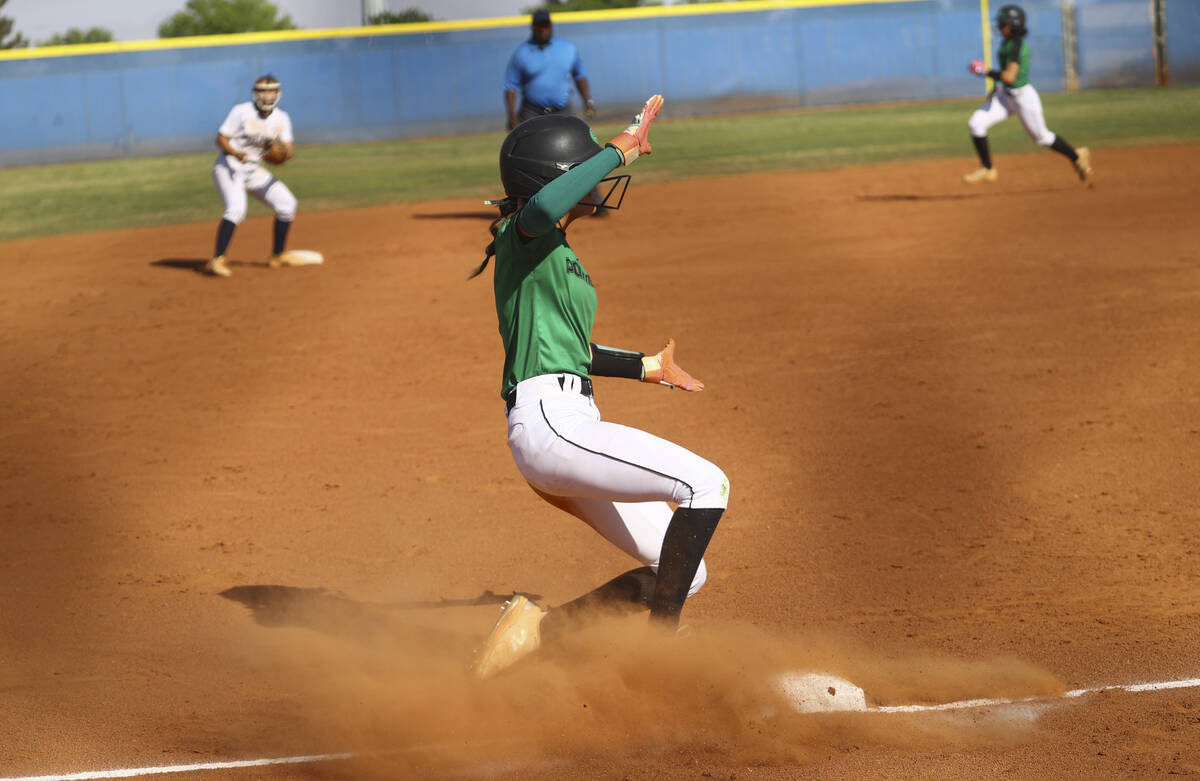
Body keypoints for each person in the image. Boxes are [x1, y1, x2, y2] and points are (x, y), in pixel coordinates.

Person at [467, 96, 730, 679]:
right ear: (559, 177)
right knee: (706, 484)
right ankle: (662, 659)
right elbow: (540, 209)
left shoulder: (556, 253)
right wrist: (620, 146)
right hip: (550, 424)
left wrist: (645, 368)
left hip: (569, 423)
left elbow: (573, 352)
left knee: (685, 569)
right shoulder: (524, 233)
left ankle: (542, 629)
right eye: (585, 166)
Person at [963, 5, 1093, 184]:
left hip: (1023, 97)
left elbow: (1009, 76)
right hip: (1005, 96)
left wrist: (984, 71)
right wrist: (996, 87)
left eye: (1003, 23)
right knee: (976, 123)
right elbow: (1005, 78)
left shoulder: (1015, 45)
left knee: (1042, 138)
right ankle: (987, 168)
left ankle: (1076, 156)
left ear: (1012, 25)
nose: (1000, 26)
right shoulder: (1007, 43)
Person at [205, 74, 306, 278]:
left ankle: (277, 256)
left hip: (253, 171)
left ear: (278, 94)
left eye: (271, 91)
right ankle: (217, 259)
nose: (267, 95)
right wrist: (236, 153)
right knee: (236, 210)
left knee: (287, 205)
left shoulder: (282, 118)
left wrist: (281, 155)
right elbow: (221, 139)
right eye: (262, 91)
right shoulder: (241, 111)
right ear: (255, 93)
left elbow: (289, 149)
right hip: (229, 167)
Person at [504, 9, 595, 132]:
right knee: (532, 148)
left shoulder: (567, 48)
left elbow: (580, 75)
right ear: (532, 28)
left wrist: (587, 101)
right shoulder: (522, 52)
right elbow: (510, 86)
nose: (542, 29)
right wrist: (512, 116)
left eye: (545, 25)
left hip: (562, 109)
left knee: (569, 144)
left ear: (551, 27)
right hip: (532, 112)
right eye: (538, 26)